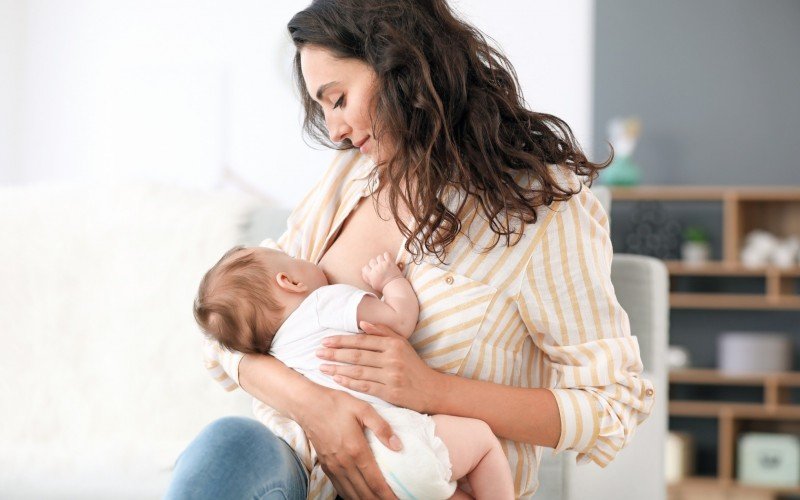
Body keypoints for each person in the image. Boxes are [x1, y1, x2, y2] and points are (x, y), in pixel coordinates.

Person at [166, 1, 656, 499]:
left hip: (425, 483)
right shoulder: (350, 176)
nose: (333, 131)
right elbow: (224, 336)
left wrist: (432, 390)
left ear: (400, 64)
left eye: (337, 100)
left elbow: (611, 404)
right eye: (322, 109)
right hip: (299, 475)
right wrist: (316, 406)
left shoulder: (539, 207)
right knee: (227, 446)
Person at [192, 245, 514, 499]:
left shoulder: (278, 355)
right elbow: (399, 321)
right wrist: (391, 281)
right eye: (292, 258)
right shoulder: (323, 303)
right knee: (483, 442)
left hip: (354, 478)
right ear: (289, 282)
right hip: (403, 444)